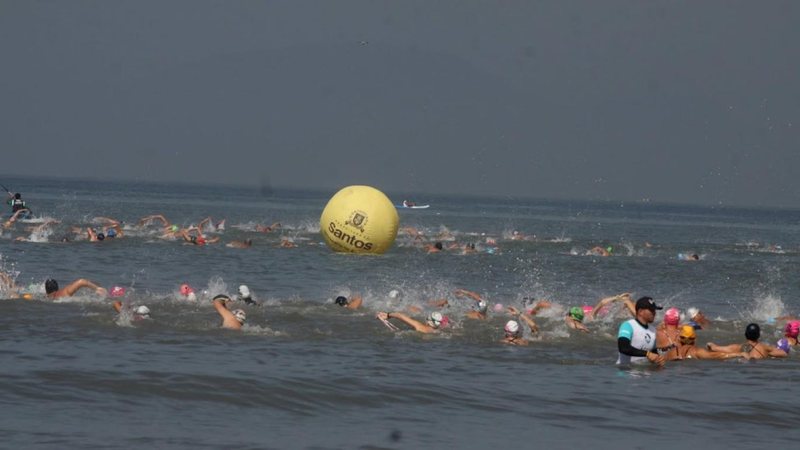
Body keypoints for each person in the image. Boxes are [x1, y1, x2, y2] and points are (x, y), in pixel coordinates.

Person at [616, 296, 666, 366]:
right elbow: (623, 348)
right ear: (640, 311)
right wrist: (647, 354)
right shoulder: (627, 325)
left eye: (654, 310)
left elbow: (653, 354)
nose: (654, 313)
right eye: (651, 310)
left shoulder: (653, 331)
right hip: (625, 373)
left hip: (645, 375)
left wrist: (659, 360)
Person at [706, 323, 788, 359]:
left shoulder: (737, 347)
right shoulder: (765, 348)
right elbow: (783, 354)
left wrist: (710, 344)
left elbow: (714, 348)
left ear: (745, 334)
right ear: (758, 335)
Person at [668, 326, 747, 361]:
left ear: (679, 338)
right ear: (694, 339)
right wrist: (738, 354)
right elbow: (716, 355)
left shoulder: (670, 353)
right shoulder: (696, 351)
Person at [375, 311, 448, 334]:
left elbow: (399, 315)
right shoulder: (439, 330)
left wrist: (388, 315)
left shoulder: (420, 327)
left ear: (429, 321)